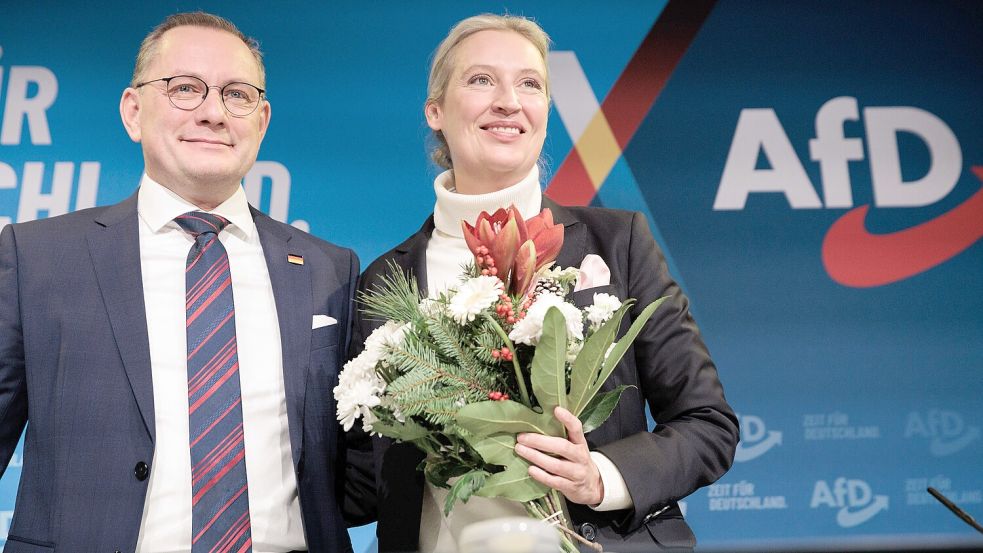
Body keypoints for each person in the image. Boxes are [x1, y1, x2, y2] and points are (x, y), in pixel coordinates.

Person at [343, 13, 738, 553]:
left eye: (530, 84)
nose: (509, 101)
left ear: (546, 113)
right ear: (435, 111)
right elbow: (364, 479)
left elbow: (708, 424)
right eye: (481, 80)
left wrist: (601, 476)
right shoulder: (384, 282)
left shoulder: (617, 243)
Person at [0, 12, 355, 553]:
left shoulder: (330, 268)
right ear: (133, 111)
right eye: (185, 88)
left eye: (236, 94)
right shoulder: (38, 257)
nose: (213, 113)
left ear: (260, 121)